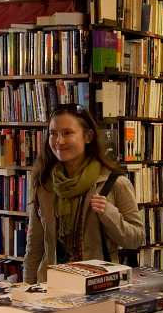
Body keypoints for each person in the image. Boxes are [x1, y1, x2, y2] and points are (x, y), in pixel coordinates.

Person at [24, 104, 144, 283]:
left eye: (67, 133)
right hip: (51, 288)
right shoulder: (45, 185)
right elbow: (34, 247)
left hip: (97, 288)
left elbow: (136, 239)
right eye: (53, 133)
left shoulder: (114, 183)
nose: (59, 141)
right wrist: (27, 288)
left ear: (88, 137)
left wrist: (109, 214)